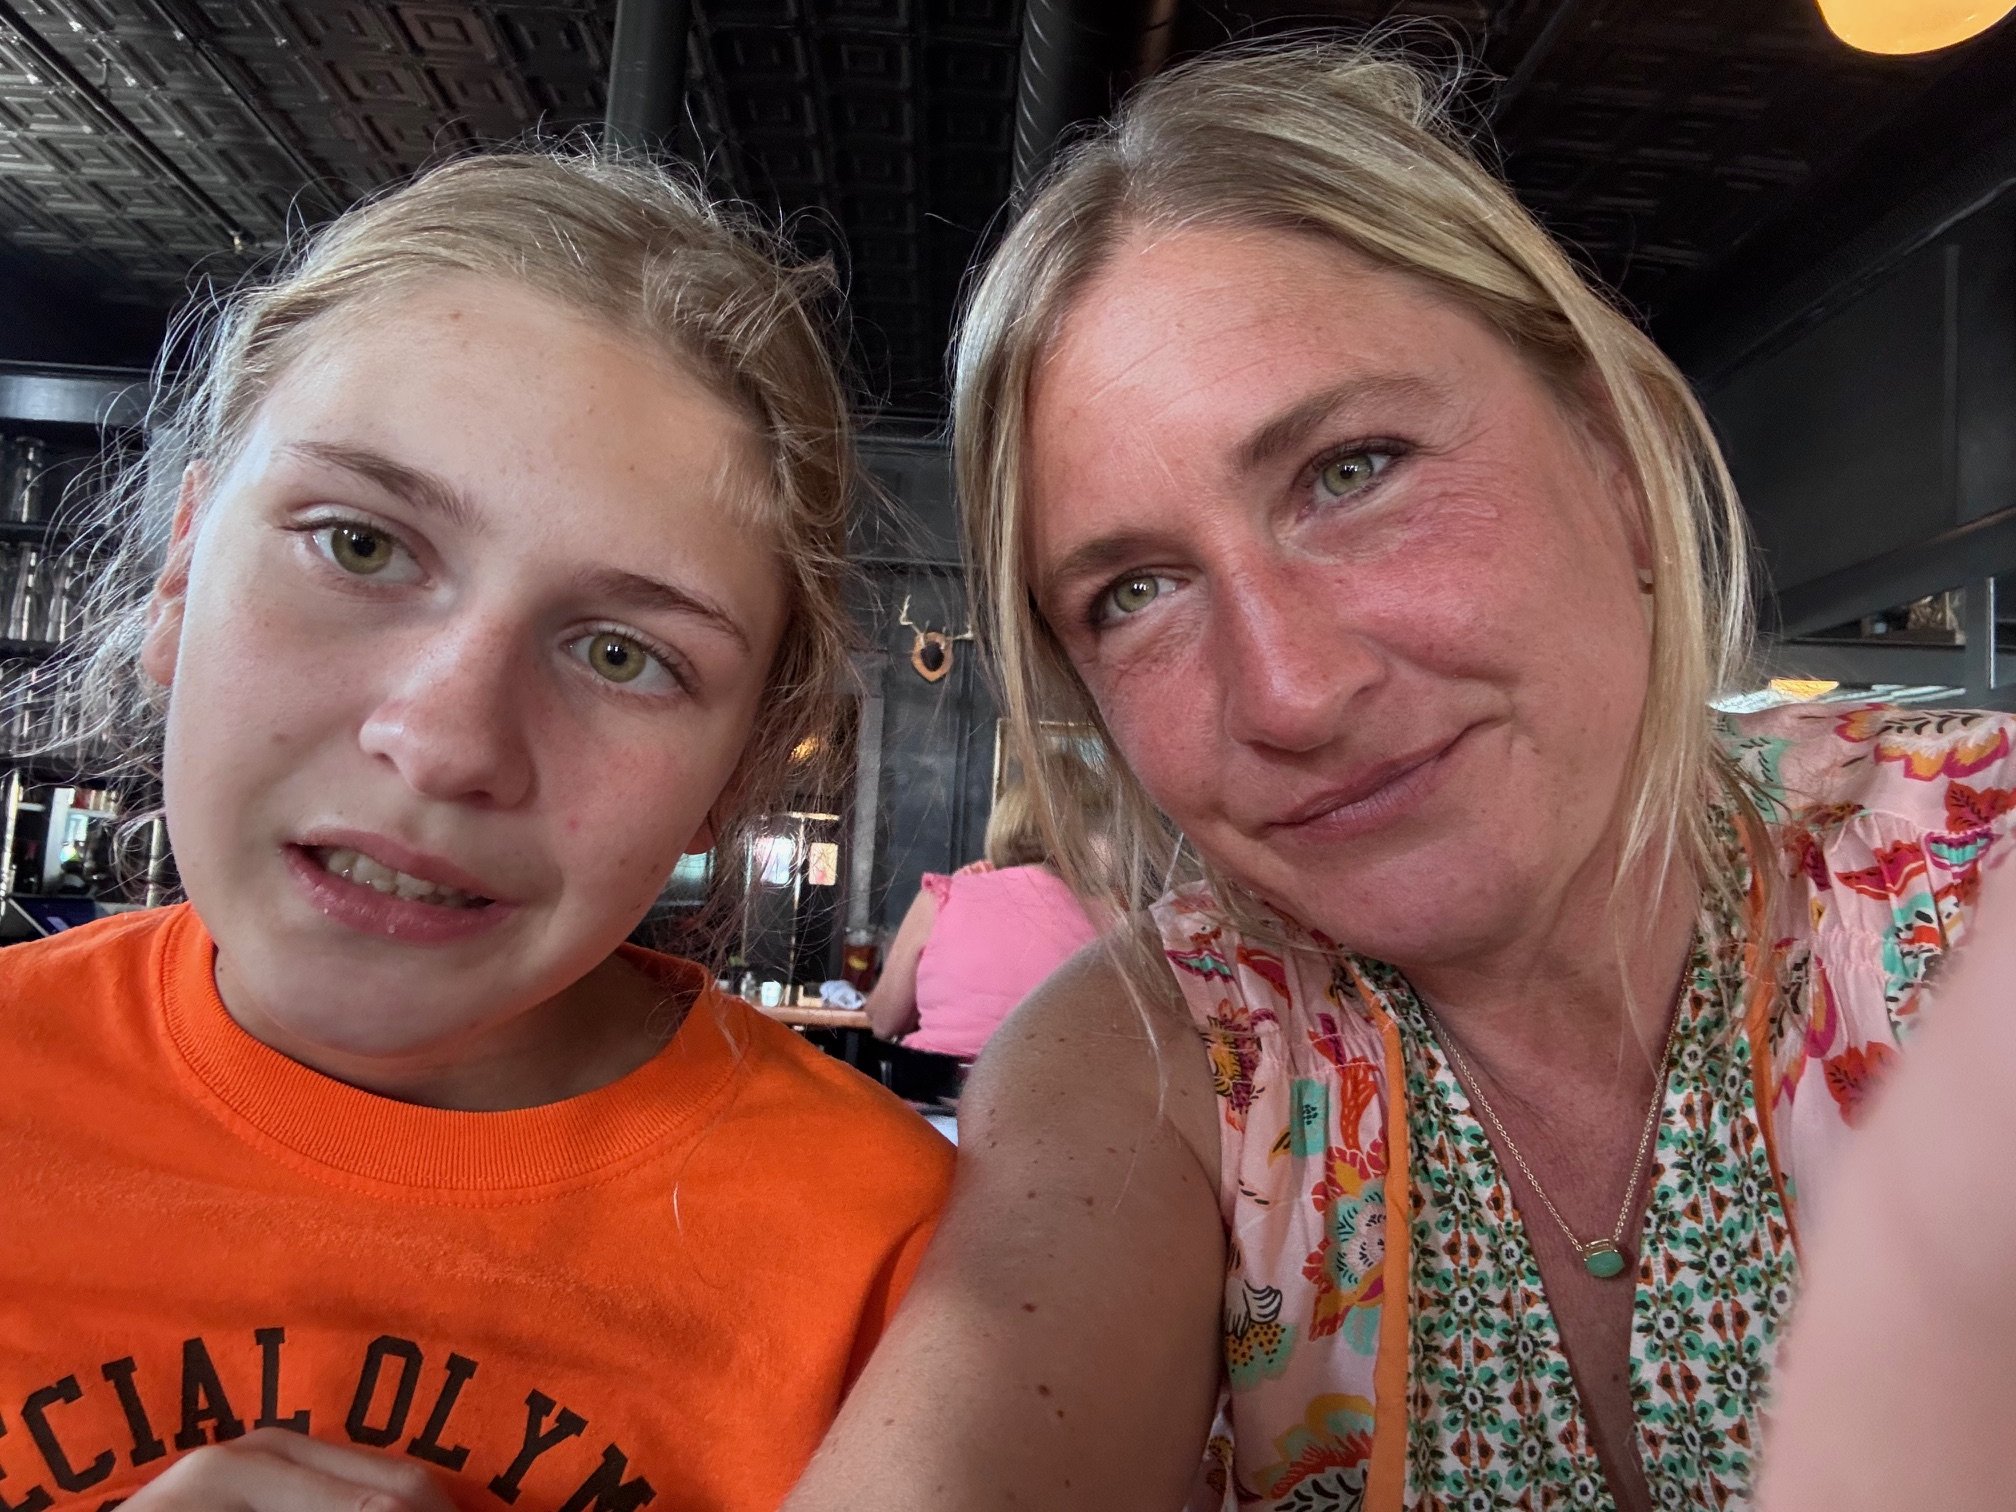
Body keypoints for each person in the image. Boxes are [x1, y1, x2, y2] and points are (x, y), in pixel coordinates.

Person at [782, 43, 2016, 1512]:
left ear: (1619, 469)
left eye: (1354, 469)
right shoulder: (1157, 1062)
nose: (1292, 695)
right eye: (1134, 593)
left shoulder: (1972, 867)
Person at [0, 151, 952, 1512]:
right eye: (361, 545)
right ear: (177, 575)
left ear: (736, 770)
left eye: (623, 653)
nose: (447, 743)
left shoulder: (904, 1276)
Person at [864, 759, 1106, 1059]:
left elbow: (883, 1022)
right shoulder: (1115, 923)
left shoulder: (941, 898)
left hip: (933, 1102)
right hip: (1058, 1103)